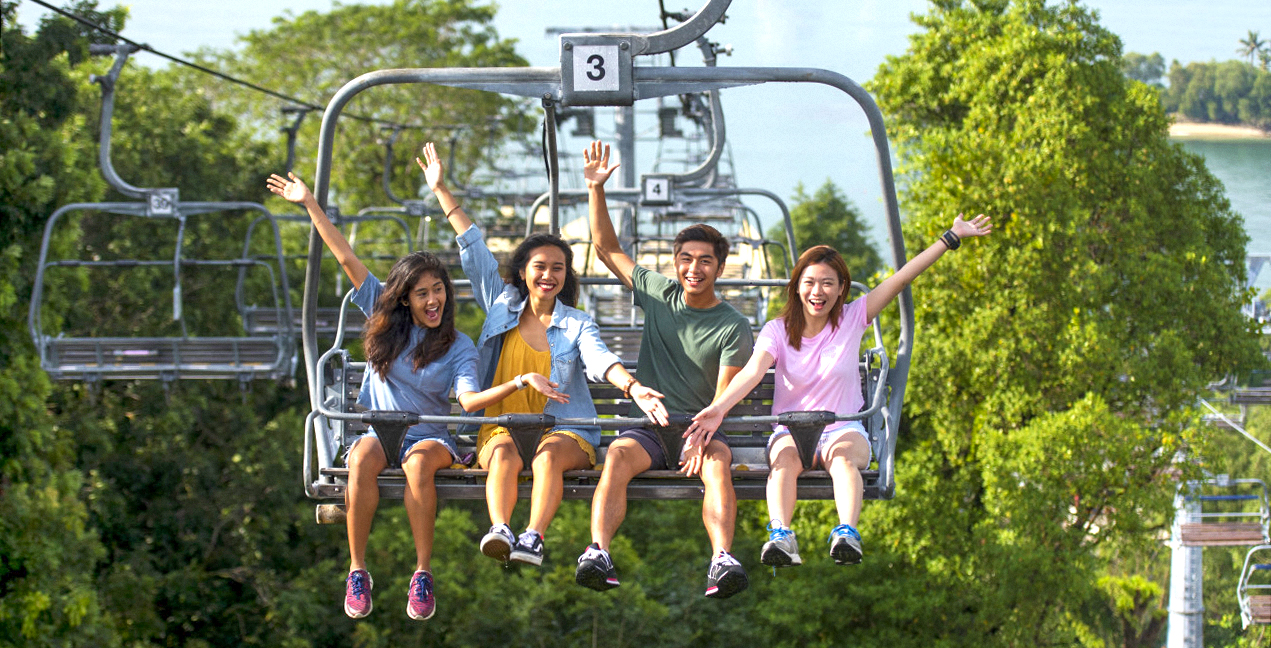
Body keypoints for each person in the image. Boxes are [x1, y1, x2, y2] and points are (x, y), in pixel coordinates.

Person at [268, 172, 552, 621]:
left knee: (418, 464)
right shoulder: (383, 320)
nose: (433, 300)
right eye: (422, 294)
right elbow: (345, 257)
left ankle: (422, 573)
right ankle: (357, 570)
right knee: (362, 458)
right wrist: (309, 204)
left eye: (438, 290)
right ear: (405, 299)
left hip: (429, 437)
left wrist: (518, 382)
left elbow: (469, 401)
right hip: (380, 431)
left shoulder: (458, 346)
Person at [416, 142, 668, 568]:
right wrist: (441, 189)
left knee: (548, 456)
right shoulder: (501, 305)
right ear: (522, 272)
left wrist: (633, 386)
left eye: (557, 268)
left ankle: (532, 536)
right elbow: (473, 250)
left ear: (566, 275)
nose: (548, 275)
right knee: (502, 453)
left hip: (564, 428)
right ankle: (501, 528)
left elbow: (599, 359)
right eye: (540, 267)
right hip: (502, 424)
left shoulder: (576, 323)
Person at [689, 214, 992, 567]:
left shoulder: (853, 318)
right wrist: (719, 408)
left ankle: (847, 532)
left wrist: (950, 237)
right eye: (810, 283)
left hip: (843, 427)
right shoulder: (777, 330)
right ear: (797, 287)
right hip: (791, 429)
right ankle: (782, 535)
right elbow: (754, 371)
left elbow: (901, 278)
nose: (818, 292)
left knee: (843, 460)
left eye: (827, 284)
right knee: (783, 463)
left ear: (841, 288)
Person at [574, 140, 754, 599]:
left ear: (720, 267)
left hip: (702, 427)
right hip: (651, 430)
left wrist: (700, 435)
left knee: (718, 466)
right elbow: (606, 248)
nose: (695, 268)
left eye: (705, 261)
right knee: (616, 456)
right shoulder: (658, 293)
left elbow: (723, 397)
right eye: (686, 259)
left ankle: (722, 558)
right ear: (676, 263)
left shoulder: (732, 325)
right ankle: (598, 551)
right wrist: (596, 189)